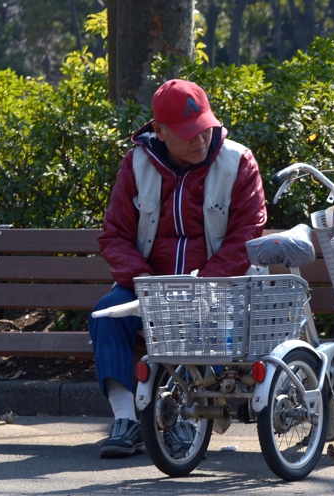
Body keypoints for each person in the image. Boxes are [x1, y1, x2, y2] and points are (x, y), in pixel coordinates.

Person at [89, 79, 267, 458]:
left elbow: (247, 237)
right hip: (150, 289)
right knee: (106, 315)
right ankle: (127, 421)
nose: (200, 140)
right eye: (188, 134)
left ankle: (186, 421)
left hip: (217, 291)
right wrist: (146, 284)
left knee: (193, 316)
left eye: (204, 127)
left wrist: (202, 286)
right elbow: (114, 237)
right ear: (160, 131)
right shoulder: (136, 164)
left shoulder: (238, 162)